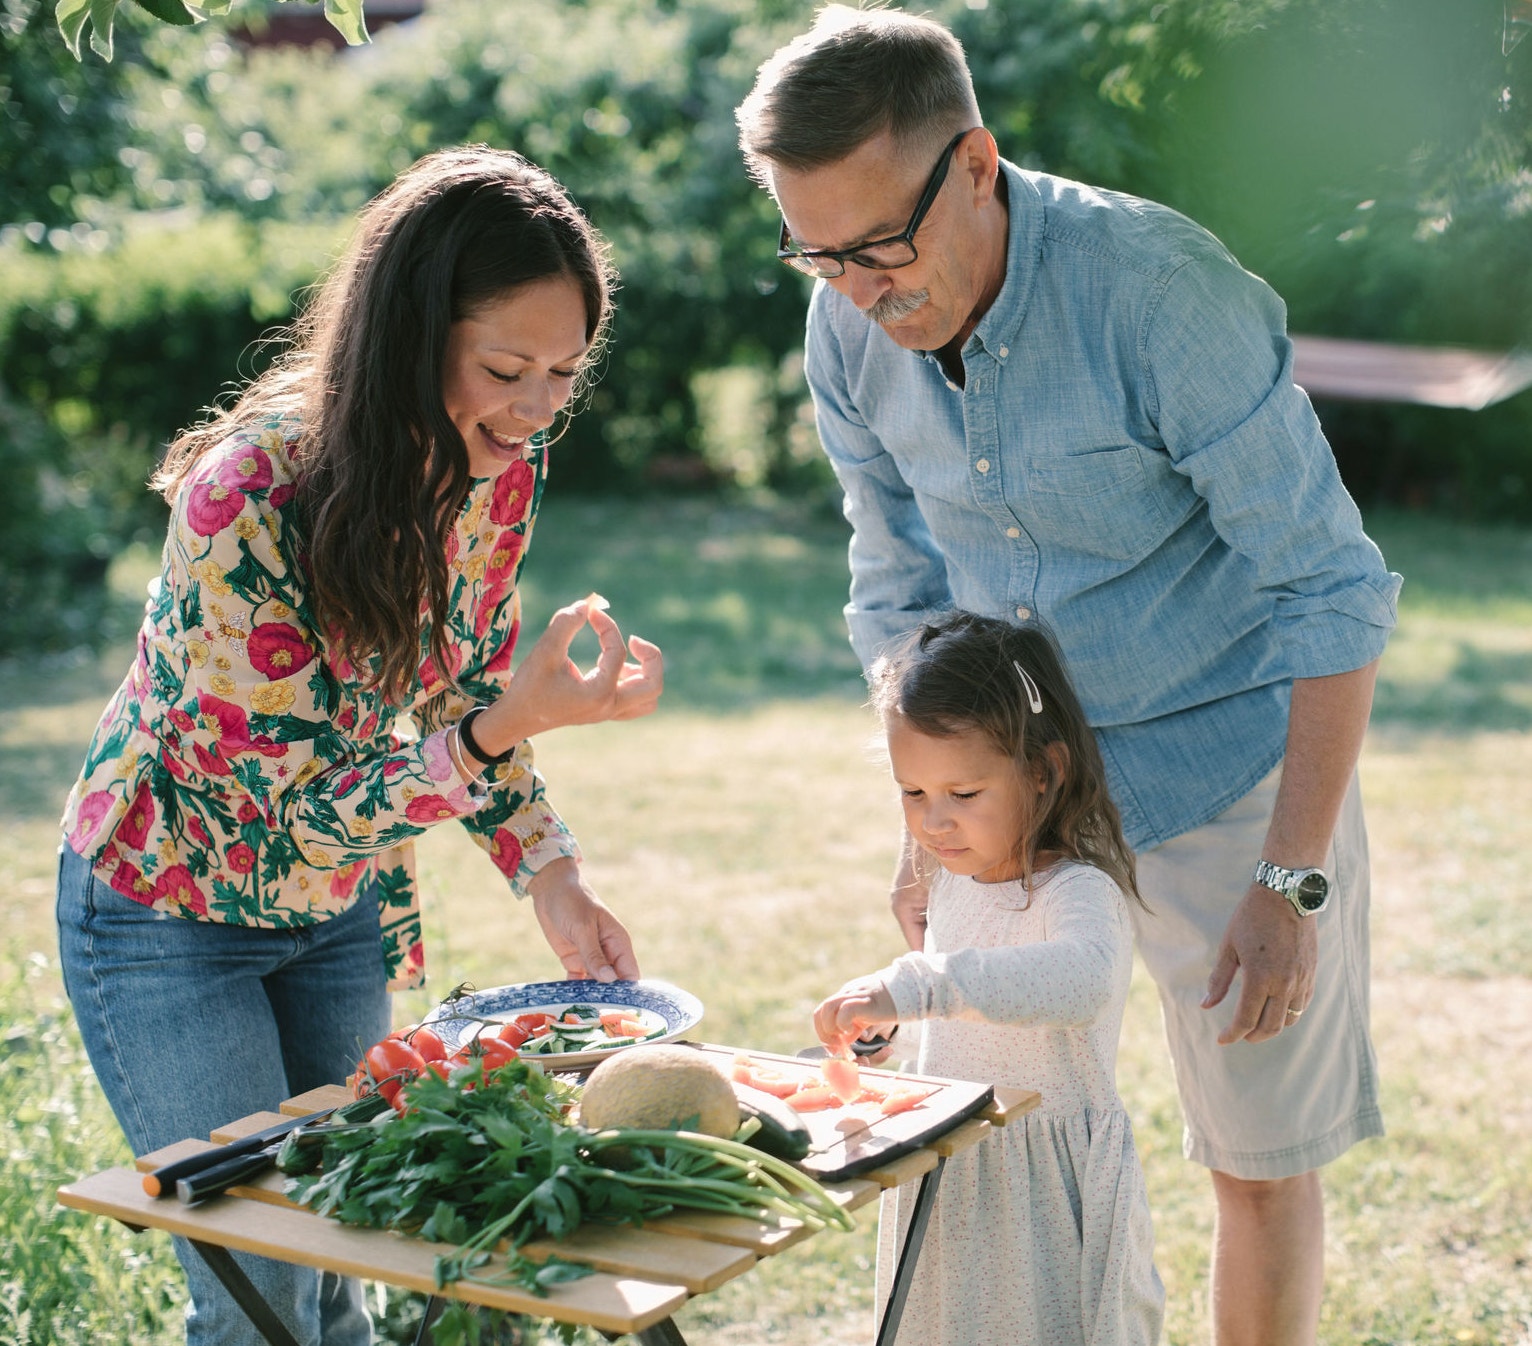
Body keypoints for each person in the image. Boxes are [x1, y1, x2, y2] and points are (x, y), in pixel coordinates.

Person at [738, 9, 1401, 1344]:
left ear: (975, 164)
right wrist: (924, 826)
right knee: (989, 1152)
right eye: (818, 251)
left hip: (1230, 769)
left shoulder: (1162, 292)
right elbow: (899, 591)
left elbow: (1332, 590)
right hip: (1016, 806)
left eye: (881, 245)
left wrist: (1291, 878)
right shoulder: (846, 327)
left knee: (1260, 1163)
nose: (860, 288)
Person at [55, 145, 663, 1345]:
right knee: (261, 1288)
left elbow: (455, 694)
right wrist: (504, 726)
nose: (539, 408)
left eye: (563, 371)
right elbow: (293, 805)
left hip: (332, 904)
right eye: (506, 367)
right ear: (410, 334)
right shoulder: (246, 499)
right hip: (168, 911)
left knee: (347, 1263)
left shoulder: (495, 472)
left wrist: (551, 871)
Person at [815, 612, 1164, 1346]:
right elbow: (958, 1016)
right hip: (954, 1174)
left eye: (963, 795)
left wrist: (918, 987)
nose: (935, 823)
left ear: (1043, 771)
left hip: (1044, 1193)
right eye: (914, 794)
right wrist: (886, 1031)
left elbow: (1079, 981)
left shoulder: (1078, 892)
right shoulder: (952, 882)